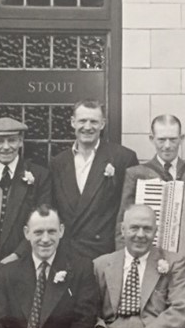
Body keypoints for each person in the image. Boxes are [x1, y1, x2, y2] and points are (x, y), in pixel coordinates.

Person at [49, 100, 138, 260]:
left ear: (102, 124)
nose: (88, 127)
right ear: (72, 122)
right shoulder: (58, 163)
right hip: (67, 253)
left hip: (105, 254)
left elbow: (129, 211)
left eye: (94, 121)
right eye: (82, 121)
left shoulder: (122, 158)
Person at [114, 114, 185, 249]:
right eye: (161, 140)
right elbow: (123, 223)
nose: (167, 145)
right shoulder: (136, 174)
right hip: (147, 255)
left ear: (181, 139)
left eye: (173, 139)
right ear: (151, 139)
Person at [0, 117, 50, 264]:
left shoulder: (39, 176)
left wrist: (18, 255)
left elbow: (43, 223)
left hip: (23, 260)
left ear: (20, 142)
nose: (6, 147)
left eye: (11, 140)